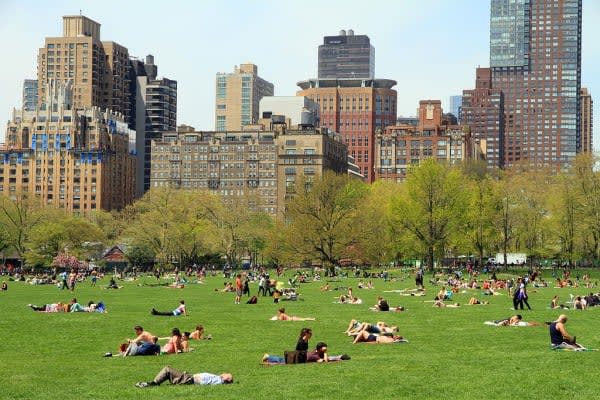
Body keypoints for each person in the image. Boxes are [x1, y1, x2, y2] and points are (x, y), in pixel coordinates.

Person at [135, 366, 233, 387]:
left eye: (226, 374)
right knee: (169, 371)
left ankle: (153, 383)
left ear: (226, 379)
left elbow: (206, 382)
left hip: (190, 379)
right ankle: (152, 383)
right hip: (190, 377)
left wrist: (196, 379)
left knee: (167, 369)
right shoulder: (218, 378)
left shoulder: (219, 381)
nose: (224, 372)